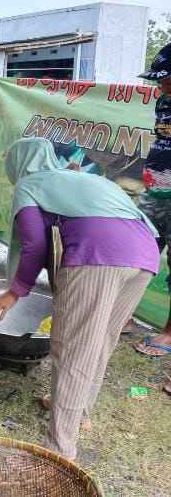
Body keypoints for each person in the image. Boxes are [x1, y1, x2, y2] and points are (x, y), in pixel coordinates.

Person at [0, 138, 158, 461]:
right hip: (145, 255)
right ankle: (80, 412)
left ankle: (60, 450)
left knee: (73, 348)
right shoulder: (78, 177)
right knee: (100, 341)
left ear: (19, 164)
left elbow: (35, 244)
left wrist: (15, 291)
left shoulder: (30, 183)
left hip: (99, 254)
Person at [133, 43, 171, 393]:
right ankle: (124, 310)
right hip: (155, 188)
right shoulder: (162, 100)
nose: (161, 87)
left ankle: (169, 333)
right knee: (138, 251)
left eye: (166, 80)